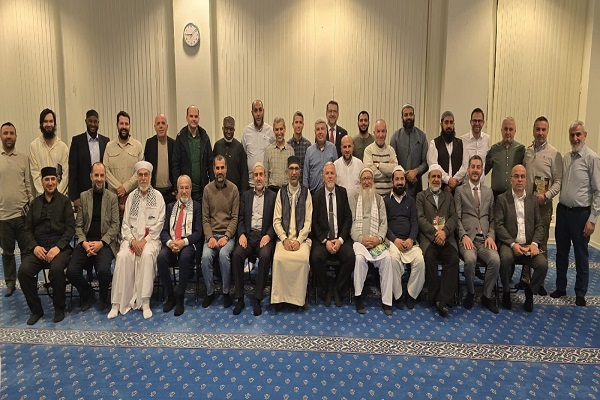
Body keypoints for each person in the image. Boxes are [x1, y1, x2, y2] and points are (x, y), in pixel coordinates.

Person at [108, 161, 166, 320]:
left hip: (150, 241)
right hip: (131, 240)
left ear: (150, 176)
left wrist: (144, 241)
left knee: (146, 255)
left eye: (146, 175)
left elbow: (159, 224)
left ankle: (145, 302)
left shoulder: (158, 197)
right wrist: (133, 241)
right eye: (140, 175)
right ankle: (116, 304)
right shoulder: (131, 197)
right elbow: (125, 225)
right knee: (122, 256)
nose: (143, 178)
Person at [18, 167, 75, 325]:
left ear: (57, 181)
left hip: (59, 248)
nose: (50, 183)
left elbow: (70, 228)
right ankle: (36, 310)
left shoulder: (65, 202)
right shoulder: (35, 203)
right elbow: (27, 230)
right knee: (23, 272)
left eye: (53, 179)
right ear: (42, 182)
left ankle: (59, 308)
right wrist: (34, 247)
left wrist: (58, 247)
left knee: (56, 270)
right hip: (39, 248)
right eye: (47, 179)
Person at [551, 121, 600, 307]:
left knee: (581, 255)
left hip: (581, 215)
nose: (575, 138)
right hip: (563, 212)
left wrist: (592, 220)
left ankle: (580, 292)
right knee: (561, 252)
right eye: (572, 135)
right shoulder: (566, 157)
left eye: (578, 134)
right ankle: (560, 287)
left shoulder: (592, 158)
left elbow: (598, 191)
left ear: (585, 135)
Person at [67, 162, 119, 312]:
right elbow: (78, 225)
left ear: (105, 177)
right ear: (91, 176)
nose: (99, 179)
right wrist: (84, 243)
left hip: (104, 243)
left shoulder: (112, 198)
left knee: (103, 271)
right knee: (71, 271)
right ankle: (87, 293)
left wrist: (101, 243)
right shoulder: (84, 197)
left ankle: (103, 297)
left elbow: (115, 226)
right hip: (86, 242)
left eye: (102, 175)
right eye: (96, 175)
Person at [495, 164, 548, 312]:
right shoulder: (502, 199)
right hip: (510, 244)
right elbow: (499, 226)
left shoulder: (533, 200)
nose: (519, 179)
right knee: (505, 259)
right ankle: (506, 291)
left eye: (522, 177)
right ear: (511, 179)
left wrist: (534, 244)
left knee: (543, 264)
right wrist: (512, 244)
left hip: (529, 245)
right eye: (516, 176)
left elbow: (539, 225)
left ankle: (530, 292)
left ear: (526, 180)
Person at [455, 155, 500, 313]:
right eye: (472, 167)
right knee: (470, 260)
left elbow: (493, 219)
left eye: (478, 167)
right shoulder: (460, 191)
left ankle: (486, 296)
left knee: (495, 260)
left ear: (482, 170)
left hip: (485, 240)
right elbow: (456, 218)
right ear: (468, 170)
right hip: (467, 239)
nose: (475, 170)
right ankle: (471, 292)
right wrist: (463, 235)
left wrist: (491, 236)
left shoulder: (489, 192)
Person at [231, 162, 276, 316]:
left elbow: (276, 221)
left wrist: (269, 235)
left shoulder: (272, 196)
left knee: (265, 256)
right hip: (248, 236)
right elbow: (240, 218)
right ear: (252, 177)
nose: (258, 178)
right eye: (255, 175)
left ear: (265, 177)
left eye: (261, 174)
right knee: (237, 255)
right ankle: (240, 298)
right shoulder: (246, 195)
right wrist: (242, 234)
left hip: (264, 236)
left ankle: (257, 298)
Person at [416, 164, 459, 317]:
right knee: (429, 258)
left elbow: (454, 217)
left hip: (446, 238)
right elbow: (420, 219)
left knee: (453, 259)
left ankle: (443, 299)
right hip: (429, 239)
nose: (436, 179)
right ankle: (434, 296)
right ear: (428, 179)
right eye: (433, 176)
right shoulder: (421, 196)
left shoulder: (448, 196)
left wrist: (444, 232)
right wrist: (435, 234)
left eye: (438, 177)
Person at [309, 162, 354, 307]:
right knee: (315, 257)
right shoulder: (316, 196)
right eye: (327, 173)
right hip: (323, 240)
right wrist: (325, 241)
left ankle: (338, 289)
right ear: (323, 177)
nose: (330, 176)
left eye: (332, 173)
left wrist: (340, 240)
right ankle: (327, 287)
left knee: (350, 257)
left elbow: (347, 218)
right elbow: (314, 223)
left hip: (340, 238)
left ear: (336, 176)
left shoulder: (342, 192)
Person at [157, 175, 202, 316]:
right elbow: (164, 231)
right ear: (177, 190)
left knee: (184, 257)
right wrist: (170, 243)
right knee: (161, 258)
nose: (184, 191)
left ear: (191, 189)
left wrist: (183, 242)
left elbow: (198, 233)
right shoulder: (170, 207)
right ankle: (171, 295)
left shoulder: (197, 207)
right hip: (172, 242)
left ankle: (180, 296)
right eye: (181, 188)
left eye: (187, 188)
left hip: (188, 243)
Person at [271, 156, 312, 309]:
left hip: (302, 240)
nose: (294, 172)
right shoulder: (280, 193)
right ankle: (280, 298)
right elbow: (276, 220)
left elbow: (308, 222)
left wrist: (299, 241)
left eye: (296, 169)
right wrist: (284, 239)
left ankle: (299, 299)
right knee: (278, 259)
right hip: (284, 240)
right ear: (287, 172)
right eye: (291, 169)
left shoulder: (306, 193)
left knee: (303, 260)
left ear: (300, 171)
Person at [351, 168, 394, 315]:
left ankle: (387, 301)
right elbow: (351, 224)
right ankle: (358, 297)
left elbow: (384, 223)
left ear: (373, 181)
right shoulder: (354, 199)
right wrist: (361, 239)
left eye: (369, 179)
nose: (367, 182)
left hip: (376, 242)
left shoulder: (379, 200)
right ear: (360, 181)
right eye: (364, 179)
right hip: (360, 241)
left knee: (387, 259)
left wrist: (378, 239)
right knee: (359, 259)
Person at [200, 156, 239, 308]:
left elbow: (235, 218)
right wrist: (210, 237)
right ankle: (210, 292)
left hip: (227, 236)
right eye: (217, 168)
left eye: (222, 167)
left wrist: (227, 236)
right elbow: (205, 219)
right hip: (211, 235)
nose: (220, 171)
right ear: (214, 169)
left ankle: (225, 292)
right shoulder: (207, 190)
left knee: (223, 255)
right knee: (205, 257)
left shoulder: (233, 189)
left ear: (226, 169)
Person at [384, 166, 425, 310]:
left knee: (420, 261)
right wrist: (395, 240)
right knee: (393, 260)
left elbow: (414, 222)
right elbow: (384, 225)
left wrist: (411, 239)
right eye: (397, 179)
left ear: (405, 182)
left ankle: (411, 294)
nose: (400, 182)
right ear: (392, 182)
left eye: (402, 179)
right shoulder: (385, 201)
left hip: (409, 242)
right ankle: (398, 295)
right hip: (392, 242)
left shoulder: (411, 201)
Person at [0, 122, 33, 297]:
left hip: (22, 215)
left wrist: (31, 207)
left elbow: (28, 185)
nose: (8, 136)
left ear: (16, 136)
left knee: (26, 251)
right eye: (5, 133)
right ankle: (10, 281)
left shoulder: (23, 158)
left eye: (11, 133)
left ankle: (28, 279)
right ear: (1, 136)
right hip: (3, 216)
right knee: (7, 253)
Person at [103, 111, 144, 214]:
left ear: (129, 126)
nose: (124, 127)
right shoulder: (109, 146)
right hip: (113, 199)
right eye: (121, 123)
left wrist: (126, 188)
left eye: (126, 124)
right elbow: (105, 170)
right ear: (117, 125)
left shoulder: (138, 146)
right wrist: (119, 188)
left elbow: (140, 171)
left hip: (133, 198)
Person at [68, 109, 110, 208]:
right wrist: (74, 197)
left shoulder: (105, 141)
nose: (93, 124)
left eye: (95, 121)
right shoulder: (77, 141)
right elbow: (73, 170)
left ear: (98, 123)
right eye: (90, 121)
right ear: (86, 121)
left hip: (102, 191)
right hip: (83, 193)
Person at [172, 105, 214, 203]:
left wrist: (213, 187)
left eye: (196, 116)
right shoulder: (180, 138)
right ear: (186, 118)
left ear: (199, 118)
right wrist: (177, 189)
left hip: (202, 191)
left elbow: (210, 163)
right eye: (191, 116)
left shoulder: (204, 137)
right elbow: (175, 165)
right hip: (185, 191)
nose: (194, 119)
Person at [390, 104, 428, 197]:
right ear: (402, 117)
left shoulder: (422, 136)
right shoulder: (395, 137)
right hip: (399, 185)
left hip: (416, 184)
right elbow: (392, 163)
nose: (408, 117)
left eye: (411, 114)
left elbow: (426, 162)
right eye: (406, 115)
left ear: (414, 116)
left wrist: (415, 171)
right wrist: (406, 174)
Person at [29, 108, 69, 196]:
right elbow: (35, 174)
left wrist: (57, 195)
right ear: (41, 124)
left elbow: (65, 175)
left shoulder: (63, 147)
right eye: (45, 121)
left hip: (60, 197)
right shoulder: (34, 146)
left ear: (55, 124)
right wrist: (45, 195)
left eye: (51, 121)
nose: (48, 124)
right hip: (41, 197)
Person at [485, 117, 525, 199]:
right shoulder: (494, 149)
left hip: (514, 196)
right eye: (505, 129)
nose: (508, 132)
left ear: (515, 131)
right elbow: (484, 170)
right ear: (501, 131)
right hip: (496, 195)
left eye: (511, 129)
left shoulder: (521, 150)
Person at [427, 111, 464, 193]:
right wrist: (448, 180)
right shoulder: (434, 143)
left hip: (457, 188)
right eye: (446, 122)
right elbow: (434, 166)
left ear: (454, 125)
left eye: (451, 122)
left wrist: (454, 181)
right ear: (441, 124)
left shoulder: (461, 143)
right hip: (439, 188)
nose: (449, 126)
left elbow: (464, 166)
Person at [144, 114, 176, 205]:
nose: (161, 126)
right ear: (155, 127)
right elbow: (147, 167)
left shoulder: (173, 144)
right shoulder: (150, 143)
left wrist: (176, 190)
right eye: (158, 124)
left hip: (170, 193)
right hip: (154, 191)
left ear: (167, 126)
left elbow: (177, 167)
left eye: (163, 123)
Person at [242, 99, 274, 187]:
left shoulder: (270, 131)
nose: (258, 114)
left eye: (260, 110)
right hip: (251, 183)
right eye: (255, 111)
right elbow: (244, 155)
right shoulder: (246, 132)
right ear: (252, 113)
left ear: (263, 111)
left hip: (266, 184)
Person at [213, 116, 248, 194]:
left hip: (235, 193)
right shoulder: (217, 146)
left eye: (231, 129)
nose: (228, 131)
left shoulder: (239, 147)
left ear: (234, 130)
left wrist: (243, 194)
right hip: (218, 191)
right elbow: (212, 169)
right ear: (223, 129)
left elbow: (244, 173)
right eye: (226, 128)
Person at [363, 119, 398, 196]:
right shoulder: (368, 150)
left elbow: (395, 171)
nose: (381, 135)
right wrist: (388, 171)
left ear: (386, 132)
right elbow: (370, 174)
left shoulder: (391, 150)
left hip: (389, 197)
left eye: (383, 131)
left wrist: (378, 165)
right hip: (374, 197)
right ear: (374, 133)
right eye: (378, 131)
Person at [303, 118, 337, 193]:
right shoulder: (309, 151)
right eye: (318, 129)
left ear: (326, 131)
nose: (320, 132)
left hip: (329, 193)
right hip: (313, 194)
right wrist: (306, 194)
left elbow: (336, 171)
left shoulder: (332, 148)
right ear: (315, 132)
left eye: (322, 129)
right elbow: (305, 176)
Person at [459, 108, 490, 183]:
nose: (477, 123)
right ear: (470, 122)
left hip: (481, 184)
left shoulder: (487, 139)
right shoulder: (462, 140)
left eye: (479, 121)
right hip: (466, 184)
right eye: (474, 121)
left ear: (483, 123)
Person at [264, 117, 294, 193]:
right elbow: (265, 175)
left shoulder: (290, 150)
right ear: (274, 131)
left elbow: (292, 173)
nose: (279, 132)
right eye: (277, 129)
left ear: (285, 129)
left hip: (286, 190)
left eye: (281, 129)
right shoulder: (268, 150)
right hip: (272, 190)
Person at [334, 135, 363, 206]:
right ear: (341, 149)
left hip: (357, 206)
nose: (347, 150)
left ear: (353, 147)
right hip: (341, 206)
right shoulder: (335, 165)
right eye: (344, 147)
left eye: (349, 146)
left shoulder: (360, 164)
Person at [287, 111, 311, 182]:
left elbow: (309, 168)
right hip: (291, 183)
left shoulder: (308, 145)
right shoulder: (288, 145)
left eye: (300, 122)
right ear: (292, 124)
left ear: (303, 125)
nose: (298, 125)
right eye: (296, 122)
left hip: (304, 184)